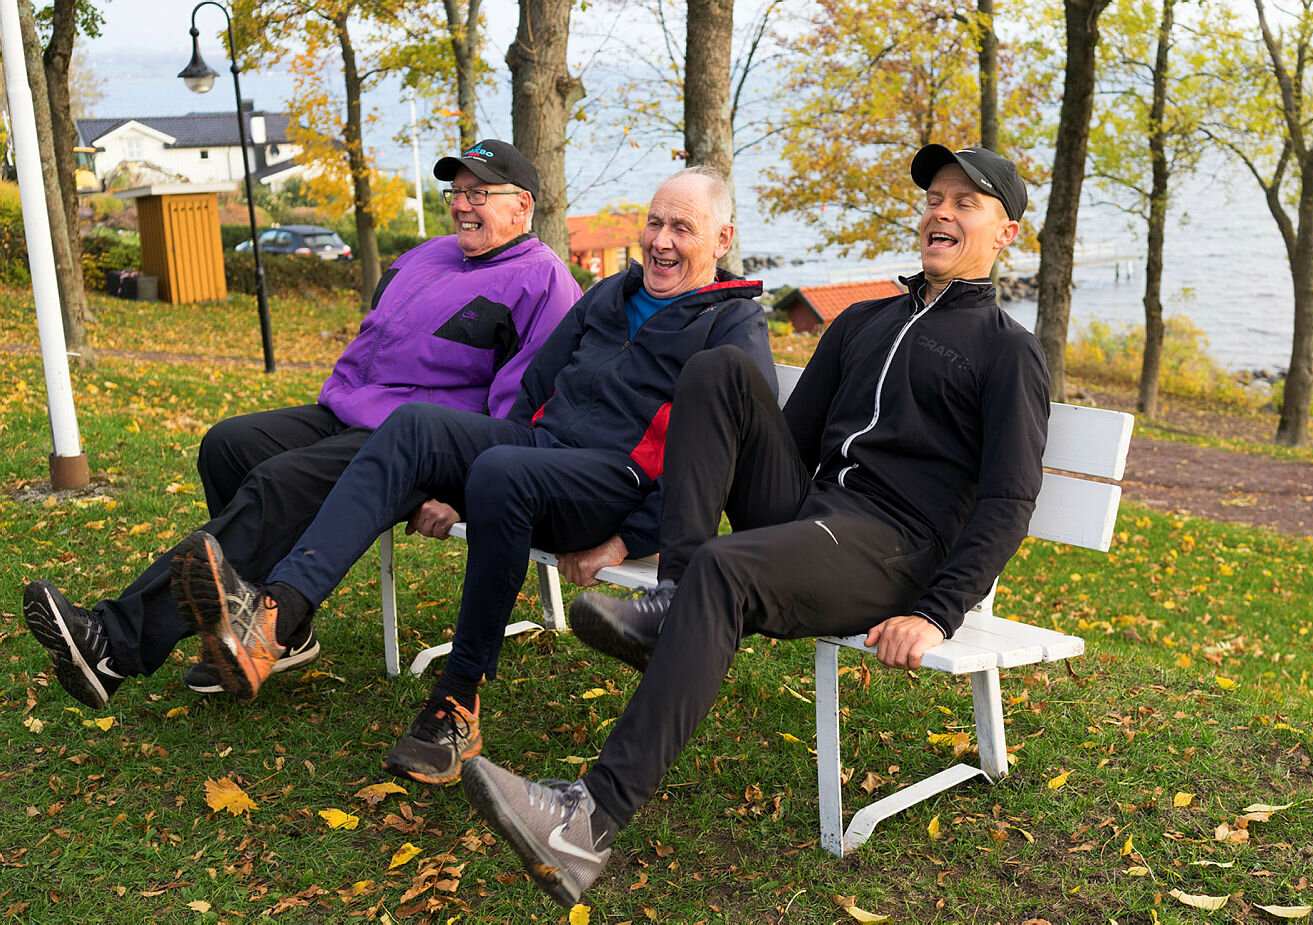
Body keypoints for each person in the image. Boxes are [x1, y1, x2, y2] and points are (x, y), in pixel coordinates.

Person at [458, 144, 1050, 907]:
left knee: (724, 568)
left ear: (1005, 236)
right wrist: (656, 520)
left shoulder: (1009, 353)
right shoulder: (861, 323)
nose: (941, 211)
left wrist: (938, 612)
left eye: (966, 203)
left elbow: (1008, 500)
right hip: (813, 515)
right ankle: (676, 597)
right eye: (936, 196)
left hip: (893, 548)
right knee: (720, 369)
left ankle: (586, 823)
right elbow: (779, 438)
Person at [169, 166, 776, 787]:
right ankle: (276, 617)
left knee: (503, 470)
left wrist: (628, 541)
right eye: (654, 222)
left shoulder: (733, 327)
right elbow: (535, 387)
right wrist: (457, 482)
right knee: (413, 425)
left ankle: (457, 700)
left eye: (683, 228)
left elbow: (717, 459)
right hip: (537, 452)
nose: (661, 241)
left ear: (722, 239)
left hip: (613, 485)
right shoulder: (611, 294)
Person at [23, 138, 580, 708]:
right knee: (229, 445)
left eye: (479, 193)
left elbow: (521, 412)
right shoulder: (425, 256)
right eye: (456, 192)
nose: (462, 204)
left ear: (523, 204)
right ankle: (277, 630)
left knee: (281, 483)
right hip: (344, 412)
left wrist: (462, 492)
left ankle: (114, 645)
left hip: (422, 444)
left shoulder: (544, 283)